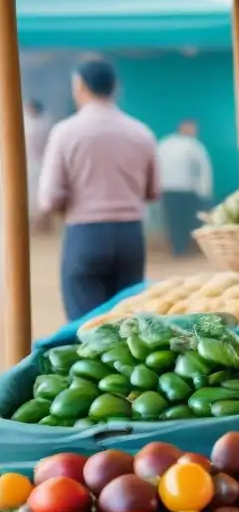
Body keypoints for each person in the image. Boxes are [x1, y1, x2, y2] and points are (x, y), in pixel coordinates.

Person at [38, 59, 159, 321]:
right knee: (128, 327)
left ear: (79, 86)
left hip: (85, 235)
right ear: (115, 88)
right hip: (130, 236)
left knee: (86, 328)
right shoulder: (141, 132)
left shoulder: (65, 132)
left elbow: (49, 198)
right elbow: (152, 192)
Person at [156, 119, 213, 257]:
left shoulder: (167, 143)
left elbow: (203, 170)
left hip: (179, 189)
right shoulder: (186, 145)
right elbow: (204, 170)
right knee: (179, 221)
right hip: (177, 189)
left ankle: (181, 249)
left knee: (180, 221)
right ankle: (180, 249)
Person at [24, 99, 53, 231]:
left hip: (40, 162)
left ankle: (42, 223)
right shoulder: (29, 121)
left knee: (39, 194)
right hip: (31, 162)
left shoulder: (43, 123)